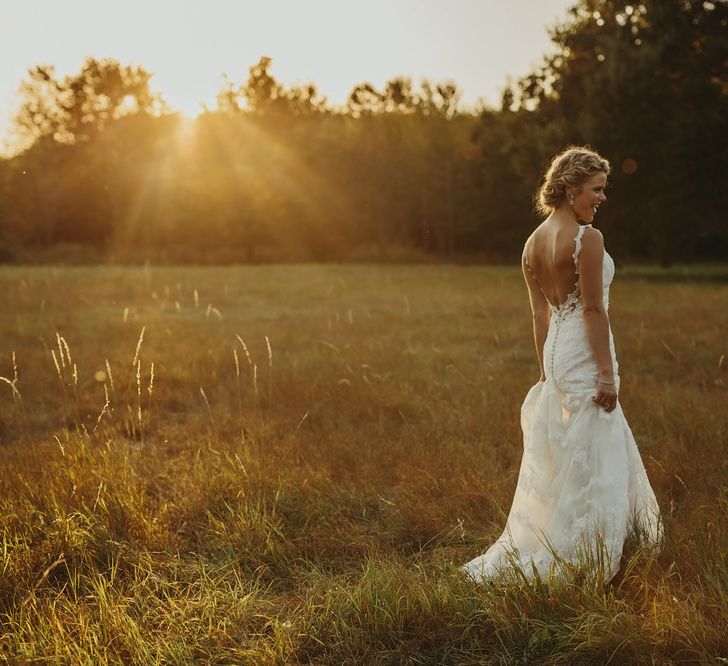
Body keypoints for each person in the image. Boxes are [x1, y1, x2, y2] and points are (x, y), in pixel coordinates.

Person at [462, 146, 663, 583]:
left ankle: (585, 533)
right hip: (583, 351)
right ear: (571, 190)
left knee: (574, 446)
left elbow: (540, 315)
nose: (601, 198)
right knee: (594, 442)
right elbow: (592, 310)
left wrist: (544, 370)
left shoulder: (531, 243)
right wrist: (606, 373)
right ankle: (586, 550)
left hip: (557, 350)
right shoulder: (587, 239)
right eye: (597, 189)